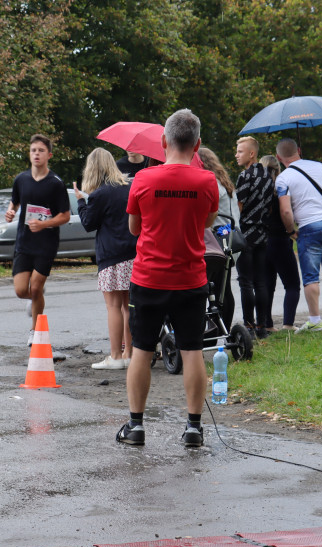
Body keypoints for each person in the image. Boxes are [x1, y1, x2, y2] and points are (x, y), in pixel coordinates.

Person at [116, 109, 219, 448]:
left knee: (143, 351)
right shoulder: (207, 181)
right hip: (191, 279)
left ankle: (136, 426)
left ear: (163, 143)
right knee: (192, 352)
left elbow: (134, 228)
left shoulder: (143, 180)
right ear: (197, 144)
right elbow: (207, 223)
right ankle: (193, 429)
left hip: (148, 278)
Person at [74, 148, 136, 370]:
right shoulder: (130, 187)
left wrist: (81, 201)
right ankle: (129, 354)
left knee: (113, 306)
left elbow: (89, 223)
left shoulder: (100, 194)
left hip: (111, 256)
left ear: (93, 168)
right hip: (134, 254)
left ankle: (115, 357)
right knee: (128, 306)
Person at [4, 134, 71, 340]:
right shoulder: (21, 179)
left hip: (46, 244)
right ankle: (35, 298)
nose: (36, 154)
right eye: (33, 150)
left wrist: (44, 224)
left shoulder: (55, 183)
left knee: (36, 288)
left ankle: (35, 332)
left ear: (48, 155)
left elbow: (65, 215)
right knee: (21, 290)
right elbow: (15, 201)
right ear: (29, 154)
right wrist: (10, 211)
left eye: (41, 151)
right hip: (24, 241)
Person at [274, 138, 322, 332]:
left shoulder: (284, 178)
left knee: (311, 276)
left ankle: (314, 319)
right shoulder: (321, 167)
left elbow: (286, 211)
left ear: (279, 157)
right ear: (299, 150)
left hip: (309, 227)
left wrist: (290, 231)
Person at [230, 139, 273, 338]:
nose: (236, 155)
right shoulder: (268, 175)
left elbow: (239, 206)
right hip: (262, 234)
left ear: (252, 154)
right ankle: (261, 327)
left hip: (246, 234)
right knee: (260, 282)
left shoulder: (245, 176)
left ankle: (248, 325)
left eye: (240, 152)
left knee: (245, 282)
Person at [258, 155, 300, 331]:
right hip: (281, 240)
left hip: (261, 242)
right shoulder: (280, 190)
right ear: (277, 170)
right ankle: (288, 324)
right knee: (292, 285)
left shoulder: (257, 191)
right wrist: (292, 231)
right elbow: (287, 213)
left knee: (267, 284)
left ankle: (267, 324)